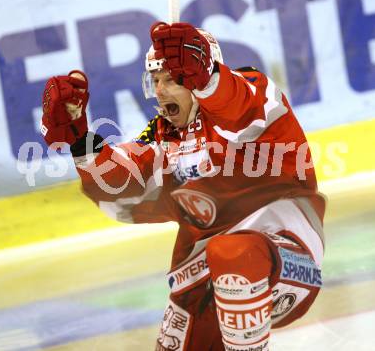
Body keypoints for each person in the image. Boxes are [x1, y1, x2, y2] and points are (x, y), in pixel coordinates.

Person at [41, 22, 326, 351]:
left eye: (172, 79)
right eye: (156, 80)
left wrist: (210, 79)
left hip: (287, 258)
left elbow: (240, 107)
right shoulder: (163, 135)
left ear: (199, 72)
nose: (160, 90)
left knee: (231, 252)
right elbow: (126, 194)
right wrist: (80, 142)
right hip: (202, 281)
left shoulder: (251, 88)